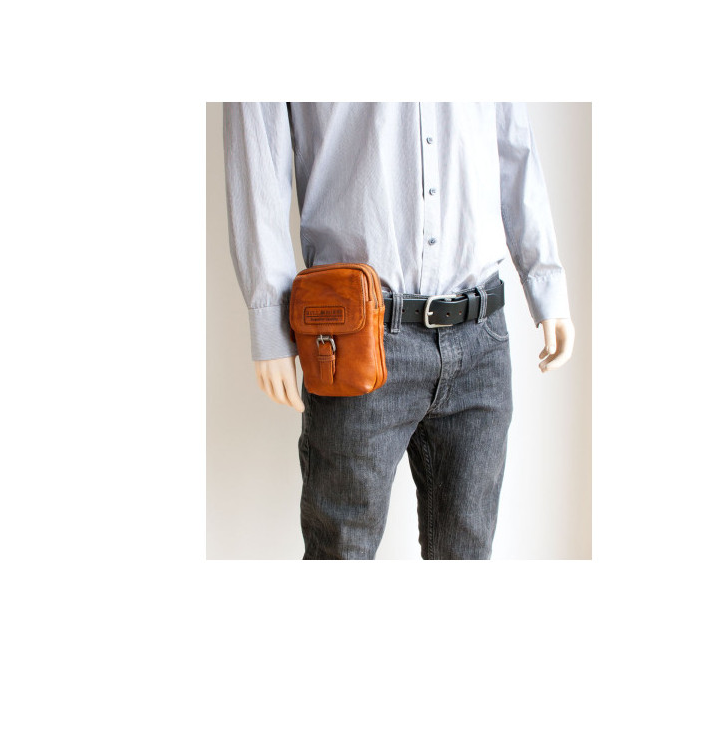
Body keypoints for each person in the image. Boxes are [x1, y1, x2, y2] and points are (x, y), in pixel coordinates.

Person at [223, 102, 575, 560]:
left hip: (481, 334)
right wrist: (270, 317)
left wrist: (545, 279)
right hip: (355, 338)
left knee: (467, 556)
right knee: (341, 554)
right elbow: (256, 147)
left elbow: (512, 142)